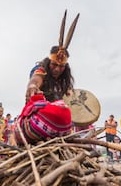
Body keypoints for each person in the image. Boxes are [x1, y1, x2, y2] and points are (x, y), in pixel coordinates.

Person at [15, 11, 79, 145]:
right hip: (38, 120)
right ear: (48, 62)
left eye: (61, 67)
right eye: (54, 65)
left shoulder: (64, 82)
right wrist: (33, 87)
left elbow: (70, 101)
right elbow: (35, 79)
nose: (57, 69)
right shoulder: (41, 70)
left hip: (58, 126)